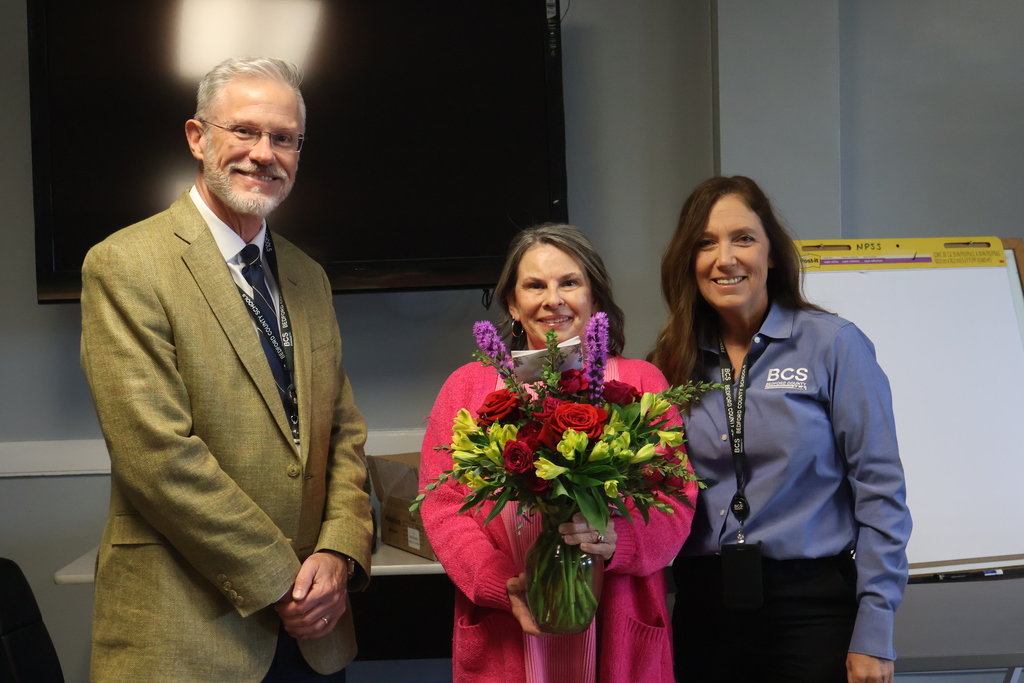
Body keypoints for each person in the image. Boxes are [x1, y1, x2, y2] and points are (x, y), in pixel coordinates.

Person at [80, 57, 373, 683]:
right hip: (187, 639)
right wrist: (282, 580)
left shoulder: (307, 277)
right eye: (244, 130)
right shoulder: (126, 264)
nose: (264, 154)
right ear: (197, 137)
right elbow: (156, 456)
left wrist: (339, 550)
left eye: (284, 138)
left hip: (313, 636)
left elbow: (342, 432)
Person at [650, 176, 912, 683]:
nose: (725, 258)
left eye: (743, 238)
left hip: (811, 609)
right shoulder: (667, 364)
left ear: (772, 254)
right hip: (703, 608)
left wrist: (875, 632)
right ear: (689, 261)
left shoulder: (834, 345)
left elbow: (881, 494)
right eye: (706, 243)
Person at [418, 224, 695, 683]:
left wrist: (619, 543)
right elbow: (443, 506)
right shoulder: (466, 387)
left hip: (615, 628)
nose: (554, 299)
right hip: (506, 628)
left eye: (570, 282)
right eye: (535, 285)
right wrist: (498, 582)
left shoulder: (642, 383)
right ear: (511, 302)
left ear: (595, 296)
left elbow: (676, 498)